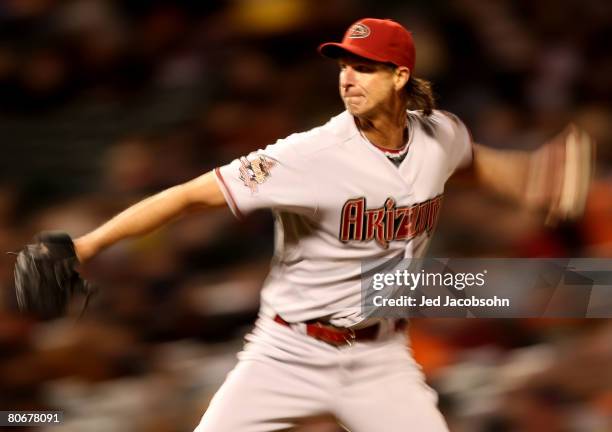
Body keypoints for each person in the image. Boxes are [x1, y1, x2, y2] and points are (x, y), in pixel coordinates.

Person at [40, 18, 588, 431]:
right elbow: (188, 196)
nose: (349, 77)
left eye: (365, 66)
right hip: (289, 352)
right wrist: (87, 245)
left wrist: (530, 176)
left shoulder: (439, 134)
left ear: (400, 77)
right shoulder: (307, 155)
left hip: (382, 356)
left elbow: (472, 162)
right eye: (345, 65)